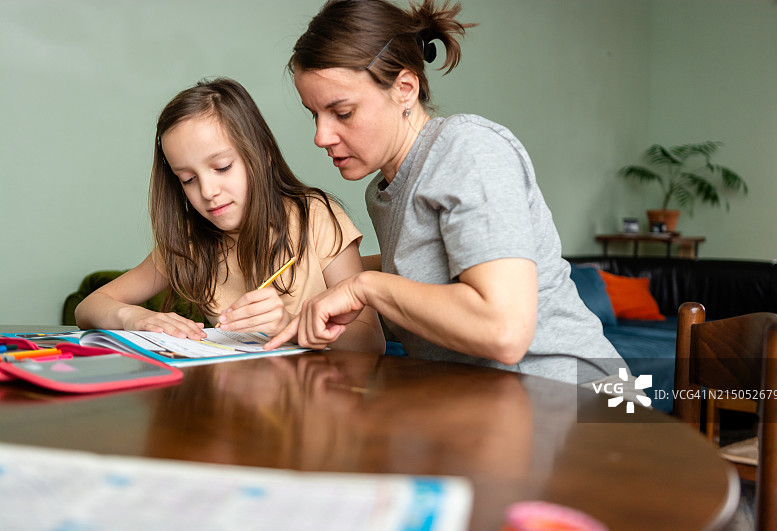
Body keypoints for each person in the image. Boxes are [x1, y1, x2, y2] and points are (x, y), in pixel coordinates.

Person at [265, 0, 629, 384]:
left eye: (343, 112)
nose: (321, 136)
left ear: (405, 88)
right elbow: (418, 274)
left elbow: (504, 331)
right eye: (314, 114)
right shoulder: (385, 189)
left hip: (579, 400)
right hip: (491, 409)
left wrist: (364, 287)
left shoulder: (468, 149)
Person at [75, 77, 384, 354]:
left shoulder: (314, 216)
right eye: (188, 179)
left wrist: (290, 325)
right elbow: (89, 307)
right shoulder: (189, 243)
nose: (208, 191)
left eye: (222, 167)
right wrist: (134, 316)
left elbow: (370, 342)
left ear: (262, 153)